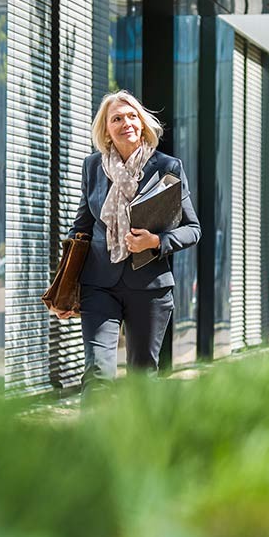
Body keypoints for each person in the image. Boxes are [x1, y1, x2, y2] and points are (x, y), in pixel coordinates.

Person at [57, 90, 200, 397]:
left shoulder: (167, 167)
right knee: (97, 372)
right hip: (99, 285)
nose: (126, 123)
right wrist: (65, 285)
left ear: (143, 122)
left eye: (132, 116)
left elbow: (193, 229)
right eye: (117, 119)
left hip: (150, 288)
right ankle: (92, 443)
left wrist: (156, 241)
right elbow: (81, 227)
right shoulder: (93, 167)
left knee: (142, 379)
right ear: (106, 129)